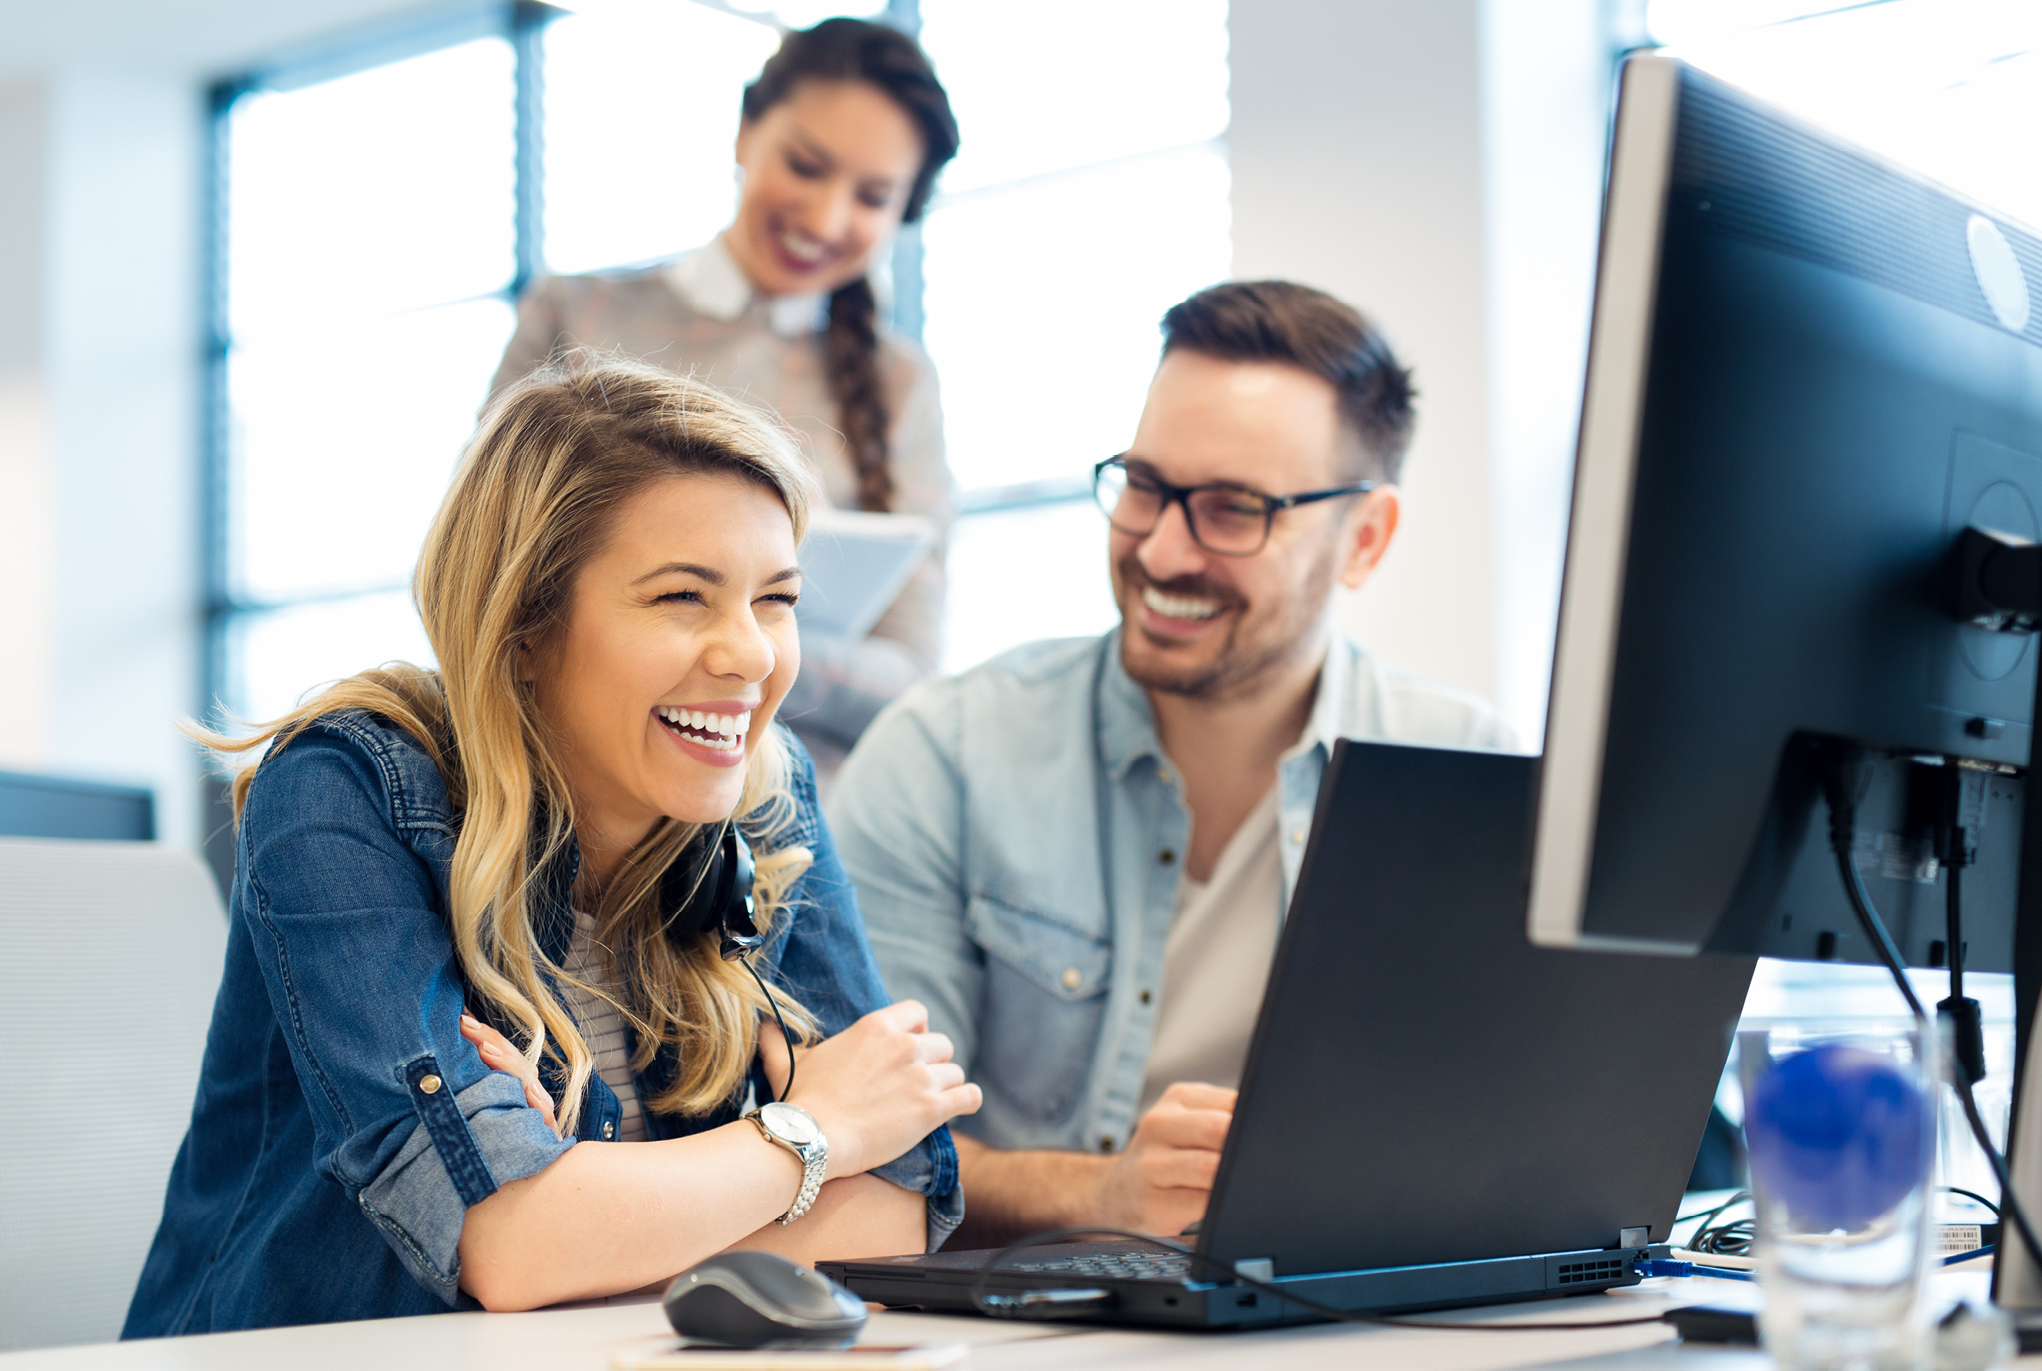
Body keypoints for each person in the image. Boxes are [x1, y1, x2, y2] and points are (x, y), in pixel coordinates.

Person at [124, 357, 979, 1335]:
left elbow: (893, 1210)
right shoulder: (341, 789)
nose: (749, 653)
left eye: (774, 599)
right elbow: (511, 1245)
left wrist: (590, 1203)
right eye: (681, 598)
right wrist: (813, 1129)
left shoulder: (760, 795)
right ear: (524, 625)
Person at [827, 281, 1514, 1247]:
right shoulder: (944, 754)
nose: (1161, 547)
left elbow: (1536, 1146)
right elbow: (864, 1149)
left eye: (1233, 508)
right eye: (1145, 486)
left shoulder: (1477, 779)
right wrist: (1102, 1193)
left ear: (1364, 539)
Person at [491, 18, 960, 777]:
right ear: (746, 131)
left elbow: (911, 677)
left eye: (873, 197)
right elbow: (481, 577)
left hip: (793, 822)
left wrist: (735, 638)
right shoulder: (577, 317)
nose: (828, 218)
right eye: (807, 166)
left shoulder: (900, 386)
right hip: (566, 787)